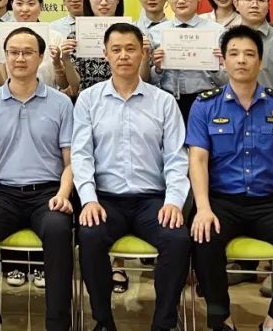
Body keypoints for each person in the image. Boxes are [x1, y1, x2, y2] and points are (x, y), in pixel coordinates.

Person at [188, 25, 273, 331]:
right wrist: (203, 208)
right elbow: (197, 159)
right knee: (202, 238)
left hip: (267, 204)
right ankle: (221, 320)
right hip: (221, 202)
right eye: (234, 54)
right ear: (223, 61)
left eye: (249, 54)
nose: (241, 60)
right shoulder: (205, 105)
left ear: (260, 62)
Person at [73, 23, 191, 331]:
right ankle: (103, 321)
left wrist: (173, 202)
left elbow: (177, 158)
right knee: (90, 236)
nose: (123, 55)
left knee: (177, 239)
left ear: (142, 53)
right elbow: (81, 155)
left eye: (130, 49)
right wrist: (88, 200)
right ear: (105, 54)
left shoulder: (163, 101)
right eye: (116, 49)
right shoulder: (88, 99)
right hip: (106, 200)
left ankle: (164, 323)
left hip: (152, 200)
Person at [0, 27, 75, 331]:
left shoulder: (61, 103)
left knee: (58, 230)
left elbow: (71, 162)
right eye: (13, 52)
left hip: (48, 194)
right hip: (3, 194)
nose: (20, 58)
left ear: (40, 57)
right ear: (4, 56)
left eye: (28, 52)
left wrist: (63, 194)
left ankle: (57, 323)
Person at [149, 0, 225, 122]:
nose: (181, 0)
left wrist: (215, 67)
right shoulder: (156, 32)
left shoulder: (217, 32)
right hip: (168, 101)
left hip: (207, 101)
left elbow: (227, 80)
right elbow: (147, 80)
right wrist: (157, 69)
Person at [0, 0, 75, 92]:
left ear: (41, 6)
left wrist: (57, 63)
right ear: (12, 4)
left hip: (46, 98)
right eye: (19, 4)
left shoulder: (55, 37)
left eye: (31, 4)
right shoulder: (2, 35)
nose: (25, 9)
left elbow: (64, 84)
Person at [58, 0, 127, 95]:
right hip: (88, 102)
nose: (103, 2)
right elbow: (75, 87)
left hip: (125, 99)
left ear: (118, 0)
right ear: (88, 0)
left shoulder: (132, 34)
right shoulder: (75, 37)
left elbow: (143, 78)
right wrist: (66, 59)